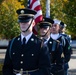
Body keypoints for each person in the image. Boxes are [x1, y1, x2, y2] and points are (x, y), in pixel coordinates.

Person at [2, 8, 51, 75]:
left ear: (33, 23)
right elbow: (6, 67)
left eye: (26, 21)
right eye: (21, 21)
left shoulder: (40, 44)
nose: (23, 24)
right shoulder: (12, 43)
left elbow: (45, 70)